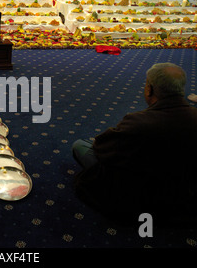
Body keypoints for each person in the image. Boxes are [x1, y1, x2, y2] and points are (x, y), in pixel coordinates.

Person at [72, 63, 197, 226]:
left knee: (81, 146)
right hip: (184, 196)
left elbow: (103, 150)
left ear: (149, 89)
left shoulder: (137, 122)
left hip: (138, 197)